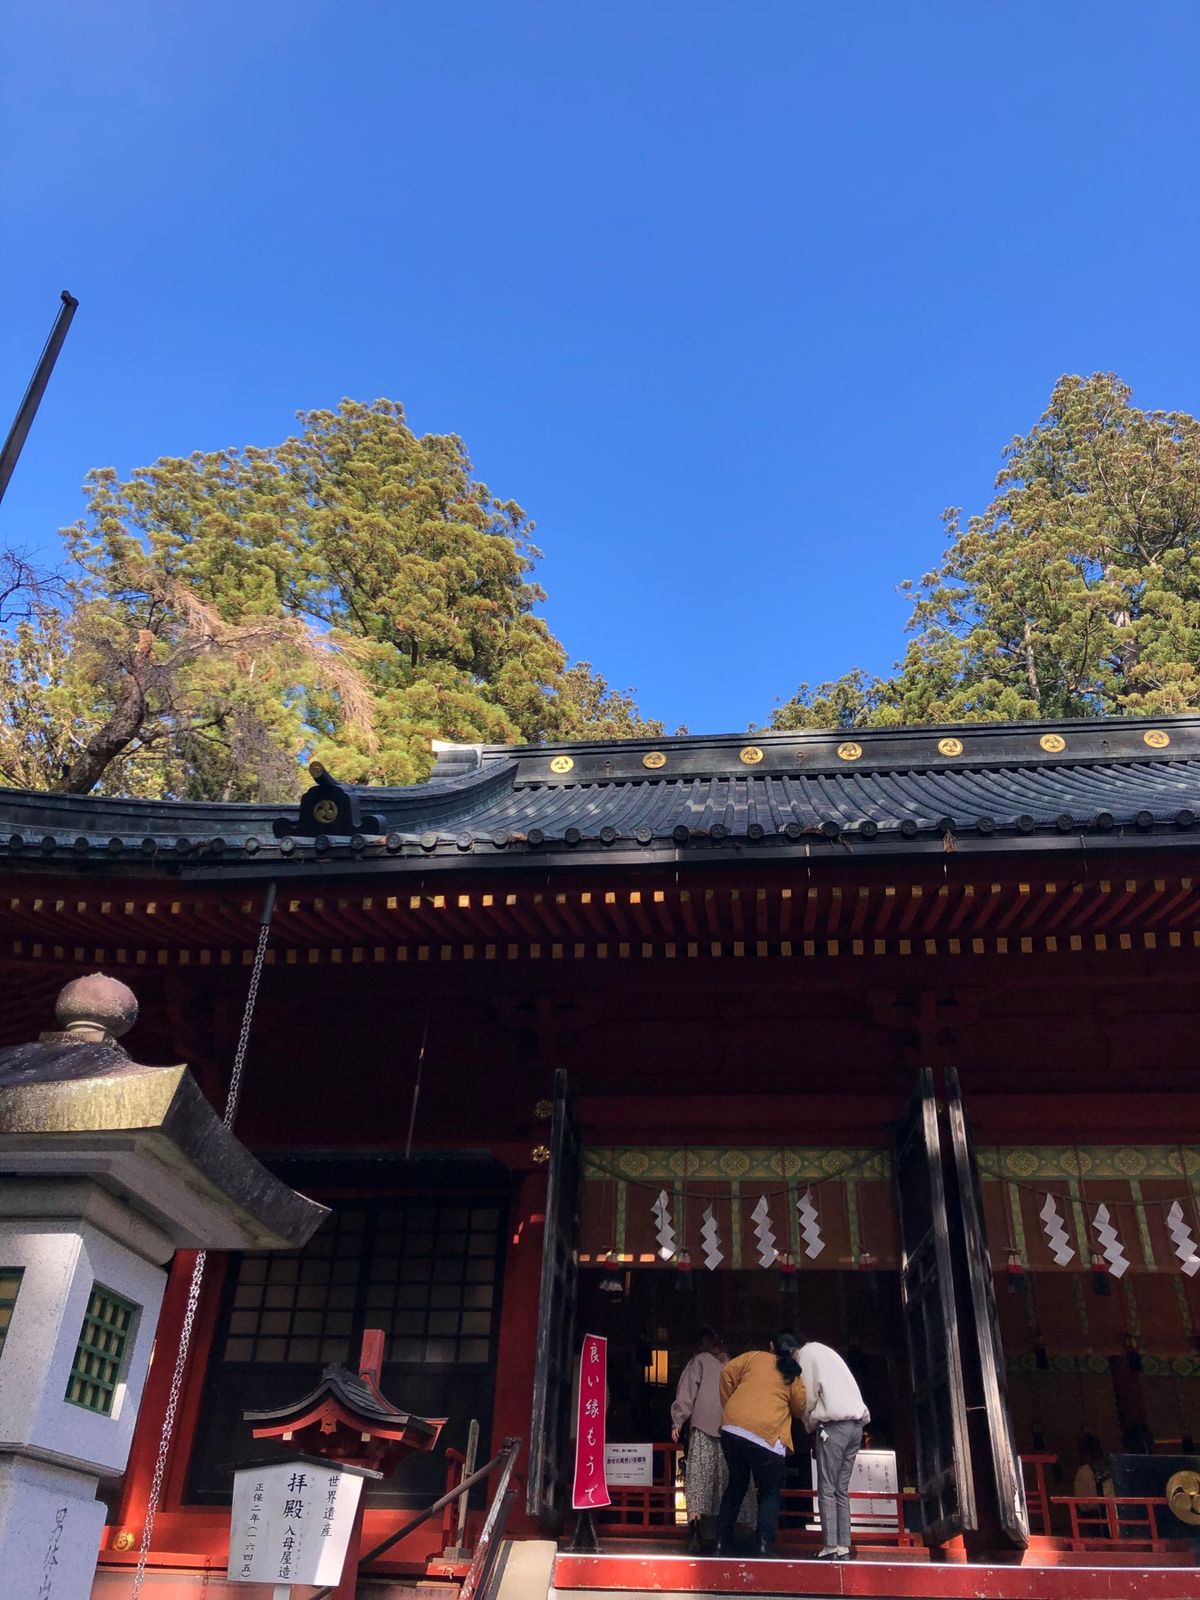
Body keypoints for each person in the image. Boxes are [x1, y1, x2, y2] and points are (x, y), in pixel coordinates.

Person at [714, 1330, 807, 1557]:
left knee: (736, 1485)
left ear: (771, 1345)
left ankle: (720, 1542)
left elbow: (726, 1372)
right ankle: (764, 1545)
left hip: (732, 1429)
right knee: (770, 1492)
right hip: (767, 1437)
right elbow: (799, 1408)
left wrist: (731, 1406)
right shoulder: (793, 1376)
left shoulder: (754, 1357)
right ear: (795, 1353)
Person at [670, 1326, 756, 1552]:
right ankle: (730, 1532)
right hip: (733, 1427)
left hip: (703, 1426)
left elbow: (686, 1394)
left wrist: (678, 1421)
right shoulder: (733, 1364)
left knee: (699, 1481)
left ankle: (696, 1532)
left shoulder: (698, 1361)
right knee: (731, 1481)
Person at [795, 1333, 870, 1561]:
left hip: (834, 1425)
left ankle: (829, 1546)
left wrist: (807, 1423)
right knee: (841, 1489)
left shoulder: (806, 1354)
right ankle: (843, 1546)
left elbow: (807, 1397)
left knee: (827, 1487)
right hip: (856, 1425)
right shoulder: (829, 1353)